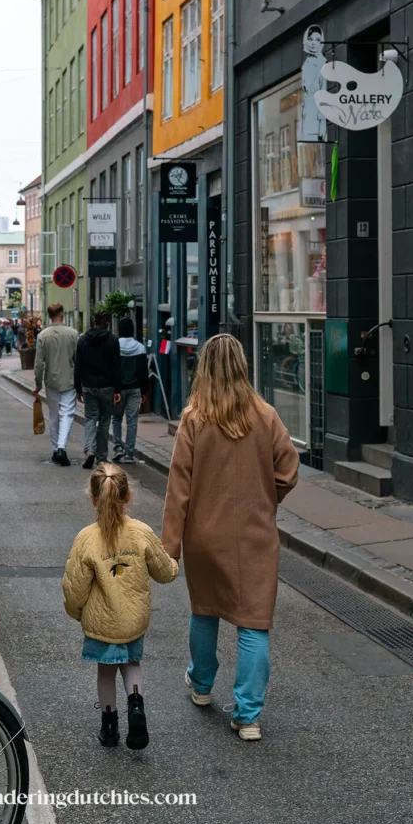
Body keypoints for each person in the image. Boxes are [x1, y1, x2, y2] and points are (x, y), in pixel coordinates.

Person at [161, 333, 299, 742]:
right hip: (255, 535)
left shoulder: (194, 418)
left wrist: (169, 548)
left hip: (204, 535)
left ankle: (201, 686)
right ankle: (248, 715)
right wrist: (265, 499)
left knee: (205, 611)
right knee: (253, 623)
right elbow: (288, 470)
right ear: (243, 366)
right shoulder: (266, 415)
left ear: (203, 368)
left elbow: (178, 489)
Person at [63, 463, 178, 750]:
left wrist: (77, 612)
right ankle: (136, 706)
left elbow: (75, 588)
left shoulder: (86, 538)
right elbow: (165, 572)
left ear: (93, 499)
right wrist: (173, 562)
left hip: (102, 623)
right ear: (128, 497)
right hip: (134, 619)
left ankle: (109, 726)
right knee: (131, 664)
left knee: (106, 671)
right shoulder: (141, 533)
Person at [32, 303, 78, 467]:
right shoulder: (73, 334)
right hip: (69, 380)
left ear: (49, 315)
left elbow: (38, 364)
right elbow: (78, 360)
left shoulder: (43, 335)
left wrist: (37, 384)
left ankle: (55, 449)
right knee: (67, 414)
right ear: (62, 314)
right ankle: (61, 447)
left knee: (53, 415)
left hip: (51, 380)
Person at [74, 310, 121, 470]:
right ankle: (101, 456)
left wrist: (78, 388)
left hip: (88, 386)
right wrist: (118, 390)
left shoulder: (83, 341)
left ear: (94, 322)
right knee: (104, 421)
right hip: (107, 386)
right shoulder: (113, 341)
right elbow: (116, 367)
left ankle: (89, 450)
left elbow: (78, 366)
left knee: (90, 418)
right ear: (107, 323)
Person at [112, 318, 148, 464]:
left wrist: (114, 388)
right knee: (132, 421)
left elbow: (113, 369)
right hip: (135, 389)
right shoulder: (140, 347)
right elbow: (143, 372)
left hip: (119, 390)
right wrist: (144, 391)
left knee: (117, 418)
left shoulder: (115, 346)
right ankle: (129, 454)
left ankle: (118, 447)